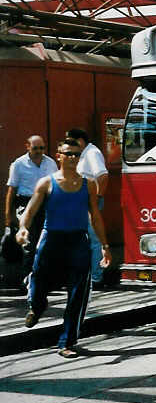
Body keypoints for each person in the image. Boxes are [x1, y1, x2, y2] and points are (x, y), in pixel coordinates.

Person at [16, 138, 111, 358]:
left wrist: (105, 245)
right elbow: (29, 212)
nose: (72, 158)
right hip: (51, 239)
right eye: (67, 154)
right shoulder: (46, 183)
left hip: (78, 240)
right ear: (58, 155)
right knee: (38, 277)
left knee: (78, 293)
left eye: (76, 155)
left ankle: (66, 342)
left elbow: (95, 217)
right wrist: (23, 229)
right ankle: (37, 307)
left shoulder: (89, 184)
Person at [4, 135, 58, 291]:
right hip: (25, 203)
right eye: (35, 148)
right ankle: (28, 278)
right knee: (29, 242)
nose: (39, 151)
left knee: (45, 241)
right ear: (27, 146)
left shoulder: (50, 163)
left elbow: (56, 186)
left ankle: (45, 277)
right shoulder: (18, 164)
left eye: (42, 148)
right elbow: (12, 190)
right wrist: (9, 215)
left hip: (46, 203)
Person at [65, 128, 109, 288]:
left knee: (94, 240)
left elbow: (103, 176)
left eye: (72, 141)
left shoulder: (91, 153)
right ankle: (86, 277)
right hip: (79, 202)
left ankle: (96, 278)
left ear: (81, 141)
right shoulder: (83, 154)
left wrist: (96, 200)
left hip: (89, 202)